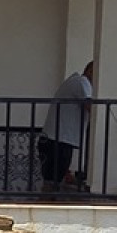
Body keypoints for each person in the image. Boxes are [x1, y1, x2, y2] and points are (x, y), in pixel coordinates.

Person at [39, 60, 94, 190]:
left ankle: (49, 200)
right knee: (52, 184)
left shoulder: (74, 81)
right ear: (91, 71)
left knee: (52, 181)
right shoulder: (82, 82)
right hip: (58, 140)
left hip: (53, 139)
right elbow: (91, 107)